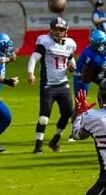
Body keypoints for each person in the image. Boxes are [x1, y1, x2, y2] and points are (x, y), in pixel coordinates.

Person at [28, 17, 77, 154]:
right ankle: (38, 146)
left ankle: (55, 139)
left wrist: (72, 67)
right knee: (44, 117)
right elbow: (33, 58)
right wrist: (30, 73)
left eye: (61, 29)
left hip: (63, 84)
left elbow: (71, 61)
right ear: (51, 30)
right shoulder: (45, 42)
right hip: (48, 85)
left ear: (66, 30)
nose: (58, 32)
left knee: (67, 113)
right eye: (56, 29)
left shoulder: (70, 44)